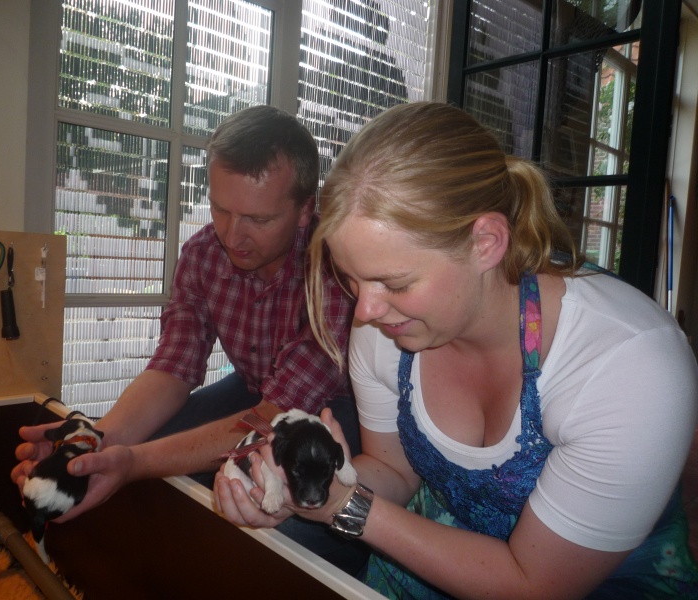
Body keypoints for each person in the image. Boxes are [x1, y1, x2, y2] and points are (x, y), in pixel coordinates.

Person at [214, 102, 698, 598]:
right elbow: (396, 472)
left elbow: (535, 586)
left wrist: (346, 506)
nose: (365, 311)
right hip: (421, 559)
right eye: (352, 279)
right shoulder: (387, 328)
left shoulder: (630, 367)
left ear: (485, 242)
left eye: (394, 282)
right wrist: (305, 484)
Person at [12, 105, 368, 574]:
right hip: (256, 390)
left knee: (276, 523)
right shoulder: (202, 254)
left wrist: (132, 462)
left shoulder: (337, 264)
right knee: (149, 451)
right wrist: (89, 446)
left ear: (305, 210)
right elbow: (173, 368)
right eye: (221, 209)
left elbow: (276, 413)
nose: (233, 235)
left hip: (335, 409)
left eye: (258, 219)